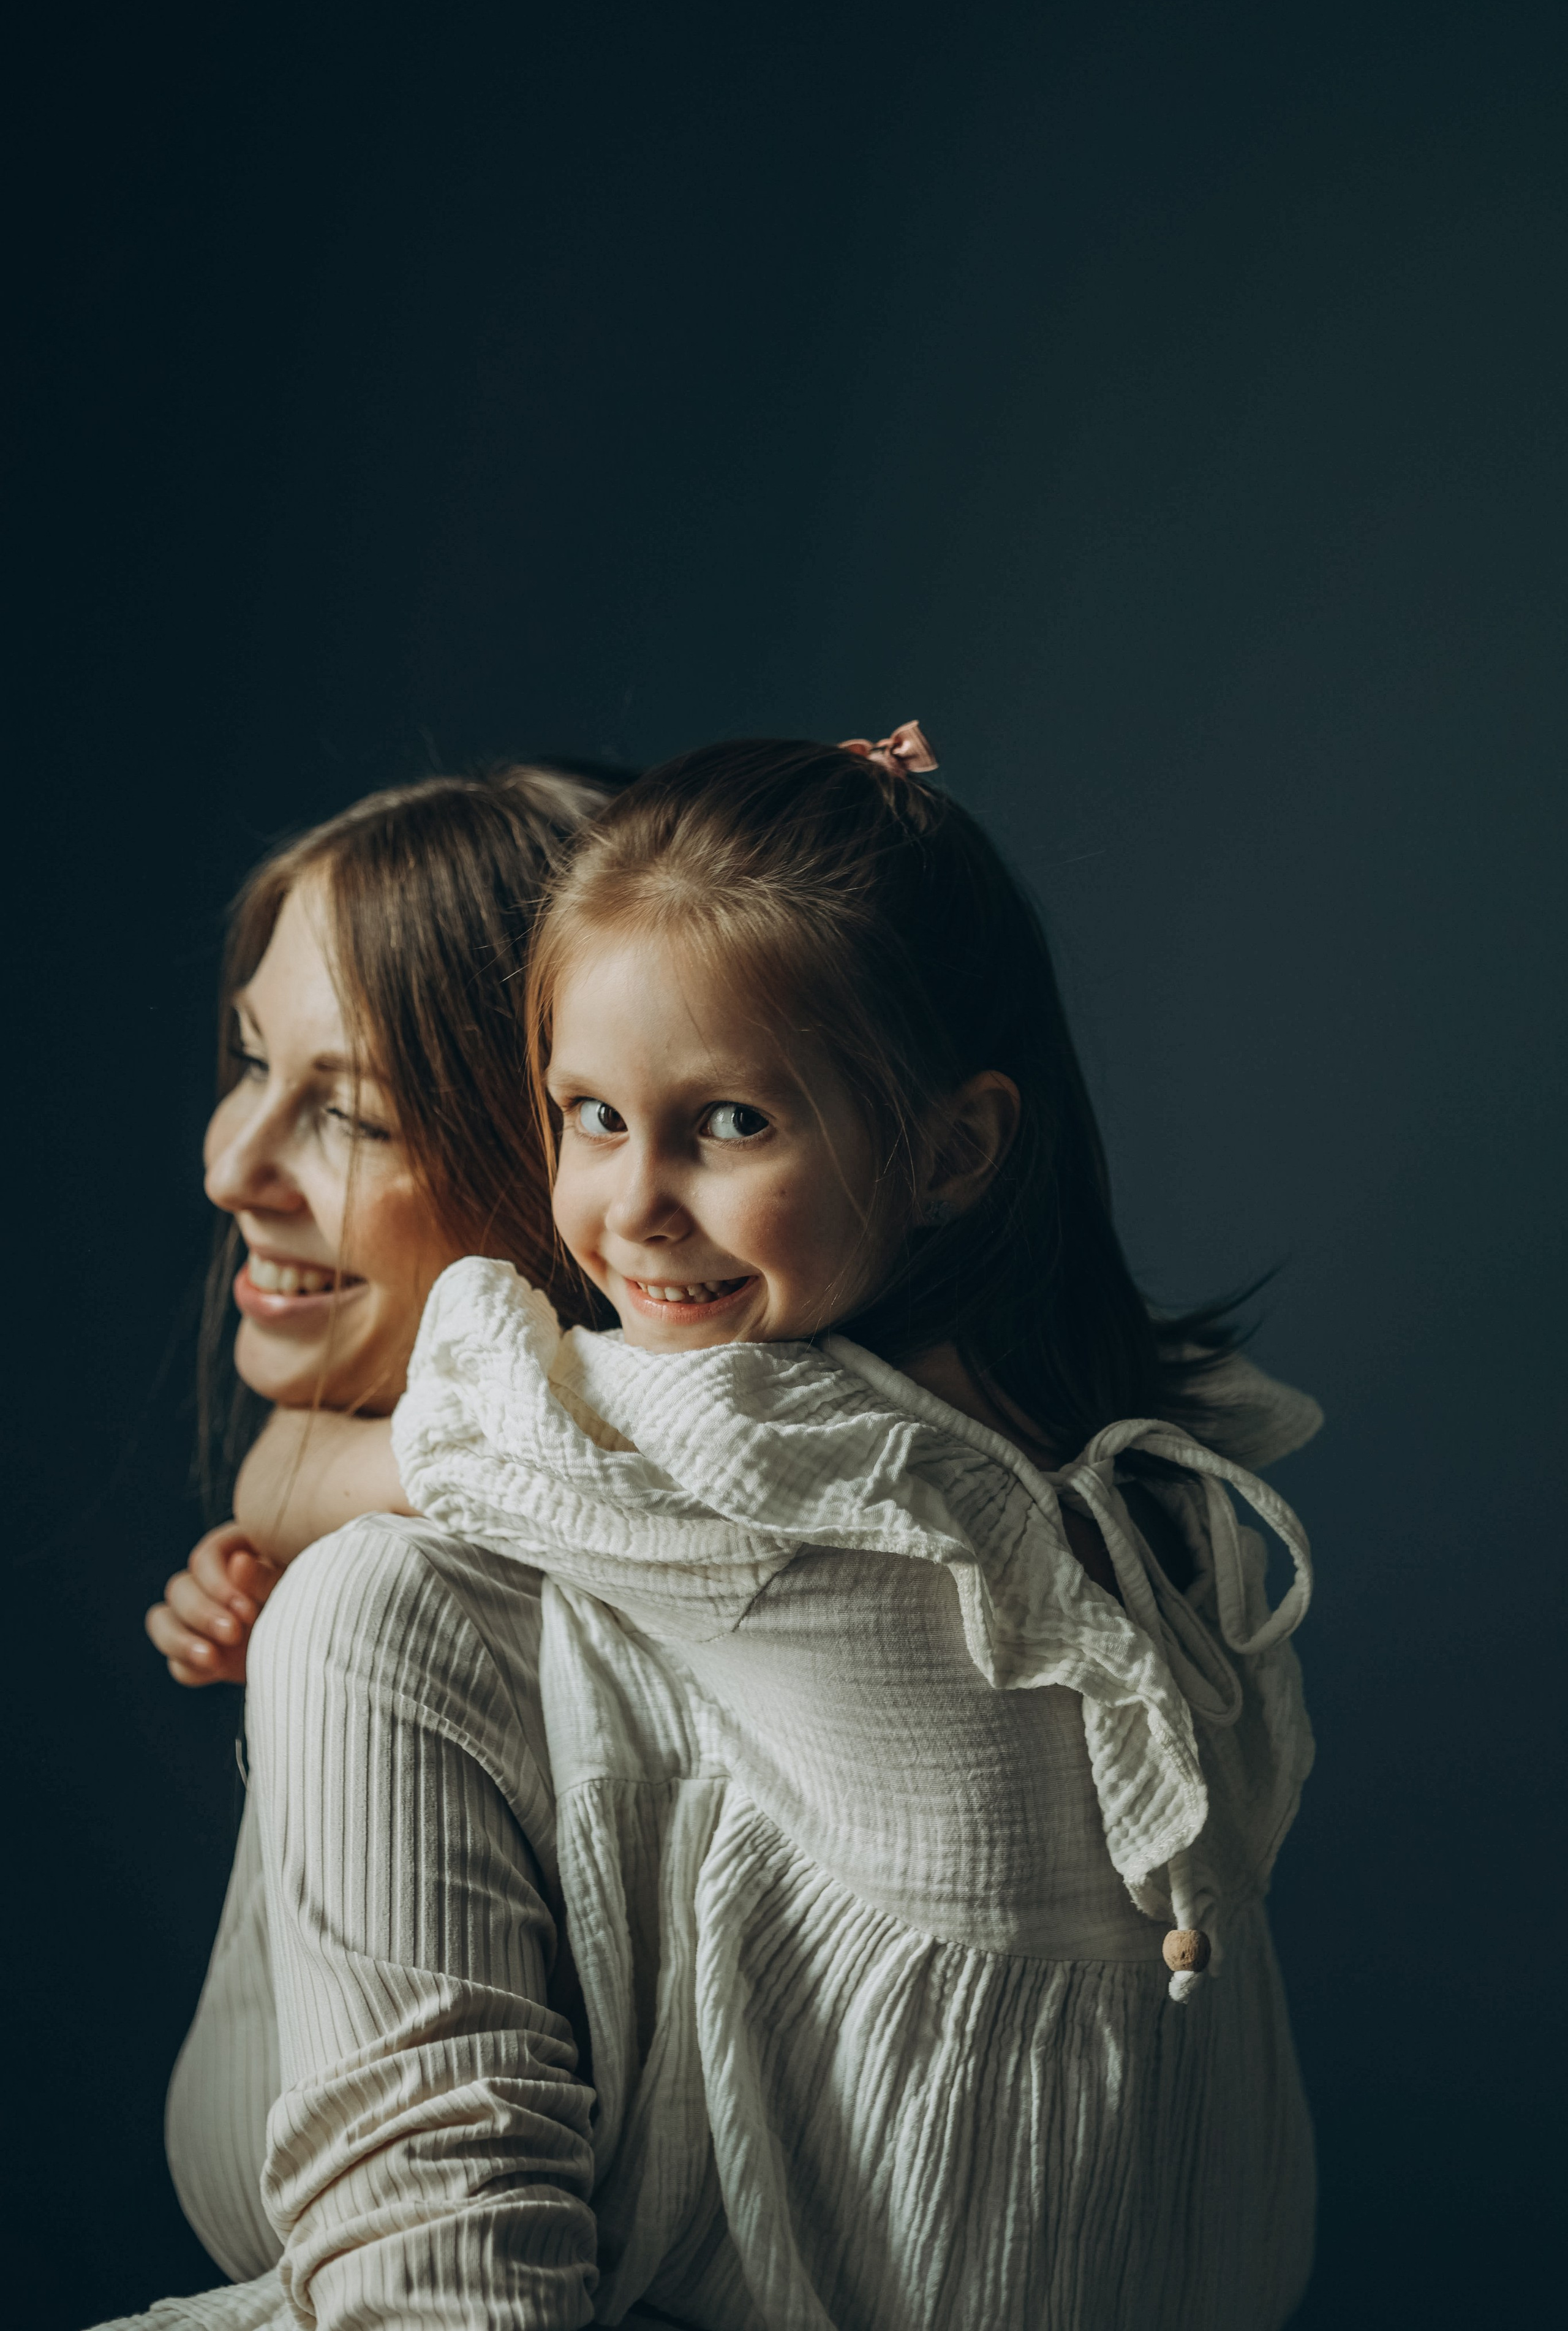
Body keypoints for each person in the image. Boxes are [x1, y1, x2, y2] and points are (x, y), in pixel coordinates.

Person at [180, 727, 1321, 2329]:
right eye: (590, 1113)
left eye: (724, 1123)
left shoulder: (743, 1443)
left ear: (951, 1149)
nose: (637, 1203)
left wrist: (295, 1528)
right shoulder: (1082, 1461)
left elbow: (336, 1472)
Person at [111, 760, 640, 2331]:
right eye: (249, 1062)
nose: (229, 1166)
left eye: (347, 1111)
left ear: (557, 1155)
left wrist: (311, 1513)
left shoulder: (398, 1591)